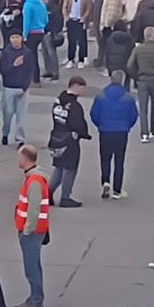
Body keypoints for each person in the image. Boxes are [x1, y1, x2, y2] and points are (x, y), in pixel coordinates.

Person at [12, 146, 51, 307]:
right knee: (33, 267)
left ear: (26, 159)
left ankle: (37, 303)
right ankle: (33, 298)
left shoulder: (34, 181)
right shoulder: (33, 178)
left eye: (19, 157)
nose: (17, 160)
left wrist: (27, 230)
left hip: (32, 232)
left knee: (32, 268)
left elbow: (33, 210)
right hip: (34, 231)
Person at [91, 70, 139, 199]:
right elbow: (133, 116)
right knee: (119, 160)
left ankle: (105, 181)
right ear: (122, 80)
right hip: (121, 132)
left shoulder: (101, 95)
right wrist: (127, 126)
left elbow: (94, 114)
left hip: (105, 131)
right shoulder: (128, 97)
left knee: (105, 158)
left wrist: (100, 125)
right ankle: (117, 190)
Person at [48, 75, 91, 208]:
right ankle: (65, 197)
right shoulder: (74, 106)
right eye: (82, 88)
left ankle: (48, 193)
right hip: (69, 139)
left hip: (56, 137)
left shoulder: (58, 101)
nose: (83, 92)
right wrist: (85, 134)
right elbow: (78, 124)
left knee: (59, 167)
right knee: (70, 168)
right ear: (76, 86)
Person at [0, 32, 35, 148]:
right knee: (7, 114)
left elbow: (30, 71)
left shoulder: (27, 53)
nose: (15, 40)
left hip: (22, 88)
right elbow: (3, 71)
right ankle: (5, 133)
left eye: (17, 37)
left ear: (21, 38)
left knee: (21, 116)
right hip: (9, 87)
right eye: (12, 37)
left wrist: (25, 87)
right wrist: (14, 65)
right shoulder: (6, 53)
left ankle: (20, 138)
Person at [62, 0, 95, 68]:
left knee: (82, 41)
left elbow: (89, 8)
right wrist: (66, 17)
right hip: (71, 19)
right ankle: (70, 59)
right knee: (71, 41)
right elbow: (65, 6)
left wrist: (84, 18)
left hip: (80, 20)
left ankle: (81, 59)